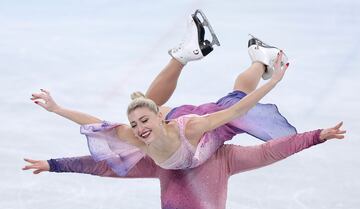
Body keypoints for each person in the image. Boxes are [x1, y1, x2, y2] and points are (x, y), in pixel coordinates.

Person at [30, 10, 295, 176]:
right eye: (135, 125)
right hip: (174, 122)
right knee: (143, 103)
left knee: (236, 97)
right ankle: (186, 54)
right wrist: (58, 109)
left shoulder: (194, 127)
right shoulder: (137, 136)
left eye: (143, 122)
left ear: (159, 119)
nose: (138, 129)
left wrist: (274, 82)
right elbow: (94, 123)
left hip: (209, 128)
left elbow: (235, 111)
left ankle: (261, 59)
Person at [22, 123, 346, 209]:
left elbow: (271, 150)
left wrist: (316, 136)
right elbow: (104, 166)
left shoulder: (225, 157)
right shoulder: (163, 161)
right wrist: (53, 164)